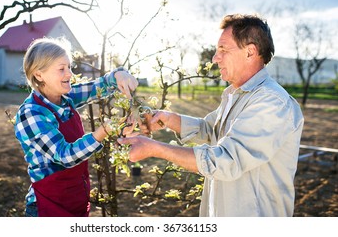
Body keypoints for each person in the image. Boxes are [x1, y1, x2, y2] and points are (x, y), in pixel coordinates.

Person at [118, 14, 304, 217]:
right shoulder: (236, 94)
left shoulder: (271, 102)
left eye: (223, 50)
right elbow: (210, 129)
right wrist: (169, 119)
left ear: (250, 52)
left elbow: (226, 160)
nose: (215, 58)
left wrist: (156, 149)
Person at [14, 37, 138, 217]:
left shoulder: (64, 98)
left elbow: (98, 87)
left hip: (75, 198)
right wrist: (102, 132)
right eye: (61, 69)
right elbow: (65, 156)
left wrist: (118, 75)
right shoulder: (31, 114)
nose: (69, 74)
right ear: (39, 75)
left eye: (69, 67)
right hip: (48, 206)